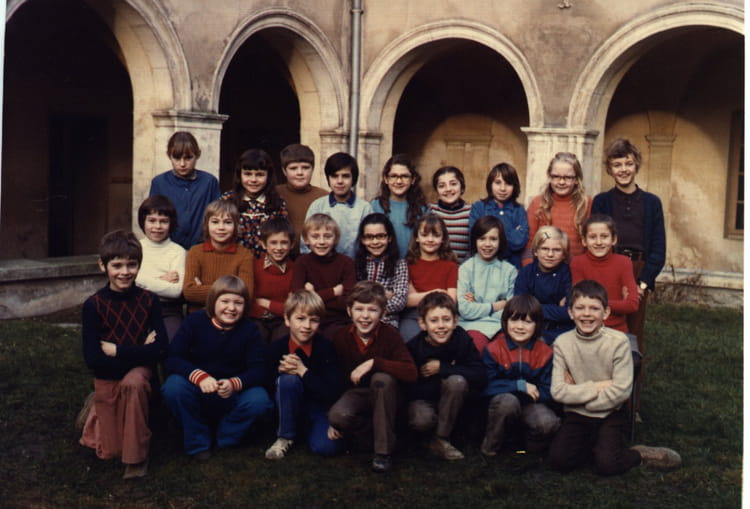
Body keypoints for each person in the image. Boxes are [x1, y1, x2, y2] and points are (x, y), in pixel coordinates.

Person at [547, 280, 681, 474]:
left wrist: (581, 397)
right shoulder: (562, 343)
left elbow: (620, 390)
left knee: (607, 465)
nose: (586, 314)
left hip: (610, 412)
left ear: (606, 313)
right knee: (558, 461)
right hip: (576, 414)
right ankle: (595, 446)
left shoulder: (618, 342)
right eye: (580, 308)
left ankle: (639, 454)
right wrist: (597, 386)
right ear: (570, 312)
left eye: (594, 308)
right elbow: (558, 391)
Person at [79, 230, 168, 479]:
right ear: (103, 266)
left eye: (132, 265)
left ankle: (136, 459)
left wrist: (119, 350)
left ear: (139, 265)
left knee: (134, 383)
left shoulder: (149, 300)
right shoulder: (93, 305)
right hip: (107, 377)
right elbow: (93, 360)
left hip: (139, 377)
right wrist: (142, 350)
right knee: (109, 451)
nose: (125, 272)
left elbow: (162, 349)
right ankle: (95, 409)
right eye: (116, 266)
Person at [162, 276, 273, 461]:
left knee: (259, 399)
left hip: (231, 393)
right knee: (174, 386)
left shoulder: (250, 329)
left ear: (245, 306)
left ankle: (226, 435)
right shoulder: (194, 321)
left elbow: (259, 370)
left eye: (238, 303)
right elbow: (173, 357)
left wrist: (234, 383)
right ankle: (197, 441)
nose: (231, 308)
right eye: (225, 301)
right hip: (199, 388)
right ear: (213, 302)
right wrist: (200, 377)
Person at [592, 138, 666, 406]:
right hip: (607, 266)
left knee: (632, 338)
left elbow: (658, 249)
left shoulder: (651, 202)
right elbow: (594, 238)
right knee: (600, 332)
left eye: (628, 164)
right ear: (609, 169)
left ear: (636, 166)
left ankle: (630, 405)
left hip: (638, 271)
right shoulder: (602, 201)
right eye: (617, 164)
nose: (623, 169)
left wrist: (642, 284)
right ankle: (599, 397)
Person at [327, 281, 418, 472]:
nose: (365, 316)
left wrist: (375, 363)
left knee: (381, 379)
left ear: (383, 313)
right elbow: (336, 379)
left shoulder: (390, 335)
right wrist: (333, 420)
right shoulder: (341, 336)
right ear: (349, 311)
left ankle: (383, 453)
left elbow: (411, 372)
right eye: (359, 309)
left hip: (387, 395)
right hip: (359, 394)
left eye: (372, 310)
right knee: (338, 415)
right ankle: (382, 435)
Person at [406, 291, 486, 460]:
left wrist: (443, 368)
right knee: (422, 419)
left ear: (455, 321)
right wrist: (443, 379)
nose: (441, 326)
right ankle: (425, 439)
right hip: (424, 400)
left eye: (446, 319)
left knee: (457, 381)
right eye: (434, 320)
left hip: (455, 400)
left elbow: (480, 374)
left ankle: (441, 437)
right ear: (422, 324)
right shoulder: (414, 347)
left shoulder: (461, 338)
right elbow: (409, 388)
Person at [265, 290, 342, 460]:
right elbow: (264, 385)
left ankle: (306, 432)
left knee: (326, 447)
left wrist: (303, 371)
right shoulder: (276, 348)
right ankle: (285, 437)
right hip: (286, 408)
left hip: (317, 409)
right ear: (287, 320)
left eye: (313, 320)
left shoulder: (326, 348)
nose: (307, 326)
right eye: (300, 319)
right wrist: (278, 373)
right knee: (288, 380)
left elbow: (332, 391)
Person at [480, 295, 559, 457]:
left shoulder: (545, 353)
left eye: (528, 322)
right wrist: (519, 386)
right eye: (514, 320)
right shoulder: (493, 349)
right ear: (505, 322)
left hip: (531, 404)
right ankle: (491, 447)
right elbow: (485, 386)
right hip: (501, 404)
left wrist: (529, 396)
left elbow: (548, 389)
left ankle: (526, 447)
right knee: (508, 403)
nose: (520, 327)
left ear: (537, 325)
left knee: (546, 422)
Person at [149, 131, 220, 250]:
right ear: (169, 155)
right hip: (167, 248)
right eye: (177, 158)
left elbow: (217, 215)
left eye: (188, 158)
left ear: (198, 154)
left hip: (202, 248)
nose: (182, 164)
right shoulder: (159, 183)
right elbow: (152, 217)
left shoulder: (209, 182)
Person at [457, 215, 517, 353]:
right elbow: (465, 310)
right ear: (475, 240)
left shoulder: (509, 271)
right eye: (482, 238)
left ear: (500, 241)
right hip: (473, 325)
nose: (487, 244)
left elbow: (511, 310)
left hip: (500, 325)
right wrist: (496, 305)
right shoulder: (466, 269)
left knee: (506, 349)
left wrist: (478, 306)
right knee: (476, 346)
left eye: (493, 239)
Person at [291, 213, 356, 339]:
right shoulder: (301, 262)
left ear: (335, 239)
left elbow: (348, 302)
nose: (321, 242)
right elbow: (299, 301)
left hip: (339, 320)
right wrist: (333, 292)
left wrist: (313, 295)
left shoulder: (346, 263)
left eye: (327, 236)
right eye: (315, 236)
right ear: (306, 240)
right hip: (308, 319)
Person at [183, 200, 254, 313]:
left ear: (235, 225)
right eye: (215, 222)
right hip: (199, 315)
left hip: (232, 314)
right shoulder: (195, 252)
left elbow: (246, 294)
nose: (221, 227)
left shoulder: (244, 255)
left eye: (227, 222)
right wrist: (233, 290)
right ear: (207, 224)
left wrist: (203, 289)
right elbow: (189, 292)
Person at [570, 214, 638, 333]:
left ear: (614, 239)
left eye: (604, 236)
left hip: (617, 330)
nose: (599, 242)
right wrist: (617, 304)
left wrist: (593, 303)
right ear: (584, 241)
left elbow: (632, 305)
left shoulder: (624, 263)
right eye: (592, 237)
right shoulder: (577, 263)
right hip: (586, 329)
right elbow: (578, 303)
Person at [524, 152, 591, 266]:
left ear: (576, 179)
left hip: (576, 269)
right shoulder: (538, 203)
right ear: (549, 177)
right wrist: (531, 269)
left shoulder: (587, 204)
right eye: (556, 177)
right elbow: (529, 246)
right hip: (543, 269)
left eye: (568, 177)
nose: (561, 182)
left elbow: (591, 244)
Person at [400, 213, 459, 342]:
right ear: (417, 237)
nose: (430, 240)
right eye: (425, 235)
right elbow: (408, 300)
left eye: (436, 235)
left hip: (441, 315)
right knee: (411, 340)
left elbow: (451, 300)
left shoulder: (450, 266)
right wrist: (436, 292)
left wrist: (419, 296)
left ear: (443, 238)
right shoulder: (407, 264)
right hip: (414, 316)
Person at [135, 195, 186, 341]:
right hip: (136, 306)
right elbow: (127, 282)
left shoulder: (177, 252)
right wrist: (160, 280)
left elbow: (176, 291)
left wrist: (140, 280)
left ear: (171, 223)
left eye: (163, 221)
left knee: (174, 341)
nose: (157, 226)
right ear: (143, 221)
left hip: (168, 310)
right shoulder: (135, 248)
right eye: (152, 220)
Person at [221, 148, 288, 258]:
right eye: (248, 174)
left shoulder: (277, 203)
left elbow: (282, 237)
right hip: (233, 261)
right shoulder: (227, 200)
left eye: (259, 175)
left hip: (266, 262)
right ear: (239, 175)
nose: (253, 180)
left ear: (268, 176)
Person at [304, 152, 373, 258]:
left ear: (353, 178)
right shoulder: (318, 206)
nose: (340, 181)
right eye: (334, 176)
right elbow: (305, 243)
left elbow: (370, 242)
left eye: (345, 176)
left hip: (355, 265)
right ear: (328, 178)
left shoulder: (364, 208)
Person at [514, 226, 574, 344]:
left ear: (564, 254)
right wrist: (556, 308)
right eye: (545, 249)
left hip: (562, 329)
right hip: (531, 326)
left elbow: (570, 312)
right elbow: (520, 308)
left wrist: (533, 307)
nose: (550, 254)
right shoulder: (526, 272)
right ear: (536, 251)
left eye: (557, 250)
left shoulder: (568, 273)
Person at [469, 162, 529, 268]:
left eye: (508, 183)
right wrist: (512, 232)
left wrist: (492, 235)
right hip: (482, 265)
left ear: (515, 186)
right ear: (490, 184)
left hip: (511, 265)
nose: (503, 188)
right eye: (498, 182)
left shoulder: (519, 210)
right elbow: (474, 238)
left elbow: (519, 242)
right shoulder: (479, 208)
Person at [353, 213, 408, 328]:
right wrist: (383, 293)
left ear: (389, 238)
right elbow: (352, 296)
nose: (375, 242)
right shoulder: (357, 263)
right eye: (369, 237)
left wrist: (374, 309)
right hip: (360, 319)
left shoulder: (399, 264)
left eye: (380, 236)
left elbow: (400, 300)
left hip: (387, 321)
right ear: (362, 240)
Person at [275, 143, 328, 259]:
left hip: (314, 258)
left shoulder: (323, 197)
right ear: (284, 171)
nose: (300, 173)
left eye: (305, 167)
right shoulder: (275, 194)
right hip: (280, 257)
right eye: (293, 168)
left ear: (312, 169)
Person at [371, 154, 428, 258]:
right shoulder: (374, 207)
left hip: (413, 264)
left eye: (405, 176)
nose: (399, 181)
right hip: (383, 264)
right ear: (386, 179)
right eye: (393, 176)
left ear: (413, 179)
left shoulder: (422, 209)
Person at [249, 217, 296, 343]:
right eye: (273, 243)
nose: (279, 248)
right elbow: (250, 302)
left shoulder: (296, 270)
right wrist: (279, 308)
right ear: (264, 244)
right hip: (257, 319)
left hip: (283, 321)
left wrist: (266, 303)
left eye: (284, 242)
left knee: (283, 339)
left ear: (292, 244)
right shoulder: (253, 266)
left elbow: (293, 308)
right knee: (256, 335)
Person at [428, 166, 472, 262]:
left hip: (465, 269)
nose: (448, 189)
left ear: (462, 186)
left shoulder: (472, 212)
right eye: (441, 186)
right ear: (436, 190)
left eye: (453, 184)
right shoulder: (430, 211)